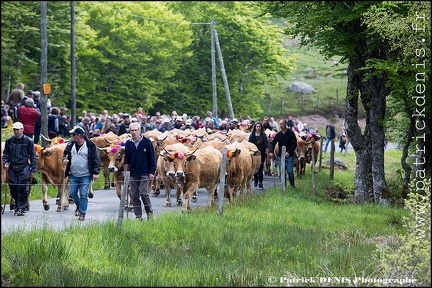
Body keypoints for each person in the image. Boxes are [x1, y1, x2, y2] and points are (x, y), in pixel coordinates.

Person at [63, 126, 101, 221]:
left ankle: (82, 213)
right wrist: (64, 160)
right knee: (72, 193)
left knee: (84, 194)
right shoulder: (70, 144)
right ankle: (81, 207)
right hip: (73, 173)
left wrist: (96, 172)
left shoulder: (90, 145)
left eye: (73, 134)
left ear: (79, 135)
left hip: (86, 174)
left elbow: (96, 159)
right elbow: (65, 154)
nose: (72, 136)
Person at [2, 122, 37, 216]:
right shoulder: (9, 140)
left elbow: (33, 156)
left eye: (17, 130)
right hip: (12, 167)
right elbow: (6, 154)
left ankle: (21, 208)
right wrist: (5, 162)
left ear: (22, 129)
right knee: (13, 188)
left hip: (24, 167)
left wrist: (33, 170)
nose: (16, 131)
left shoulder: (29, 141)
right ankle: (18, 205)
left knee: (23, 188)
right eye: (14, 130)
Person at [123, 122, 156, 220]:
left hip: (145, 172)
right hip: (133, 172)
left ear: (139, 131)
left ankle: (149, 212)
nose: (134, 132)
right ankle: (138, 216)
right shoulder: (128, 143)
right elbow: (126, 160)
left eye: (135, 130)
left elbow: (152, 158)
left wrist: (152, 171)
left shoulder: (146, 142)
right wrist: (126, 173)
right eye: (132, 130)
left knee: (143, 193)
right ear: (130, 131)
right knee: (134, 195)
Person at [268, 119, 297, 188]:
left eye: (282, 124)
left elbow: (294, 144)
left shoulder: (291, 133)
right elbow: (273, 143)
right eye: (280, 124)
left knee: (290, 171)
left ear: (286, 124)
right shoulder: (278, 135)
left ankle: (292, 185)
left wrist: (289, 152)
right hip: (280, 155)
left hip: (289, 155)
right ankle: (283, 186)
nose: (281, 125)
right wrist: (271, 152)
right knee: (282, 172)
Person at [248, 121, 268, 190]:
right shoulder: (252, 135)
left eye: (259, 126)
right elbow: (249, 145)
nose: (258, 128)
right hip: (253, 154)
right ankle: (255, 178)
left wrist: (266, 153)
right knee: (254, 168)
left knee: (260, 169)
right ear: (255, 127)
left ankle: (261, 183)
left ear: (261, 127)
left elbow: (266, 145)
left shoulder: (263, 135)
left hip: (261, 154)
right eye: (257, 126)